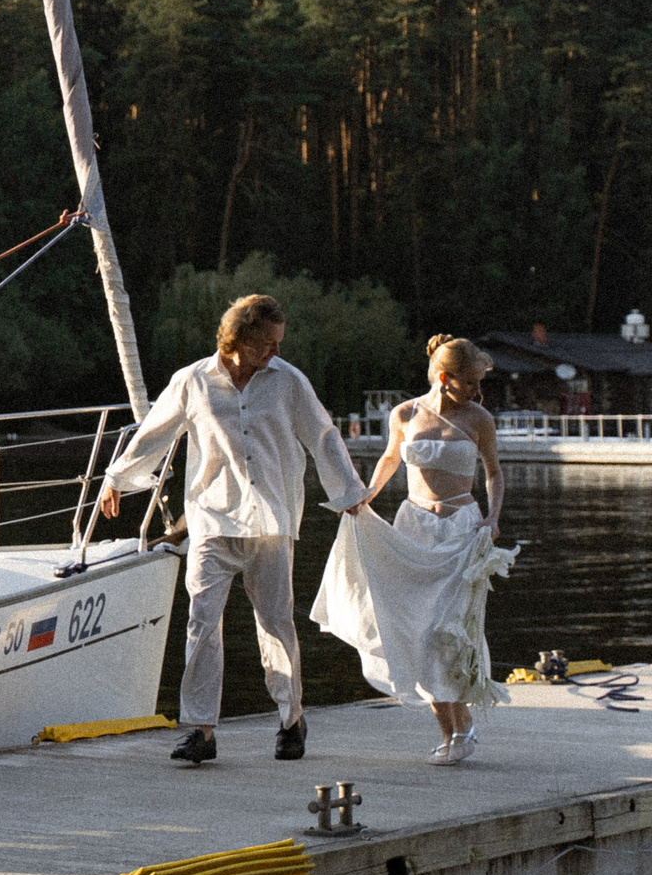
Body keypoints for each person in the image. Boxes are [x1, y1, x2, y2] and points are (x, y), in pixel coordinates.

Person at [96, 294, 370, 765]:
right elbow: (155, 431)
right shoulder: (193, 380)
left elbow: (322, 434)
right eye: (267, 343)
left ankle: (291, 719)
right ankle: (201, 730)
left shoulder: (288, 381)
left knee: (276, 624)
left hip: (271, 520)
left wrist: (349, 492)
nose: (276, 352)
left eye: (279, 342)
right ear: (238, 339)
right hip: (212, 518)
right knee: (202, 621)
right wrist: (116, 478)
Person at [309, 337, 513, 765]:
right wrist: (366, 496)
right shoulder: (405, 413)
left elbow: (493, 473)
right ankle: (449, 732)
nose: (478, 391)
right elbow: (389, 459)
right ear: (445, 377)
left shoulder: (479, 419)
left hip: (461, 529)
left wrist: (492, 518)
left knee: (448, 631)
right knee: (415, 631)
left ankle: (464, 723)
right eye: (471, 382)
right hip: (414, 526)